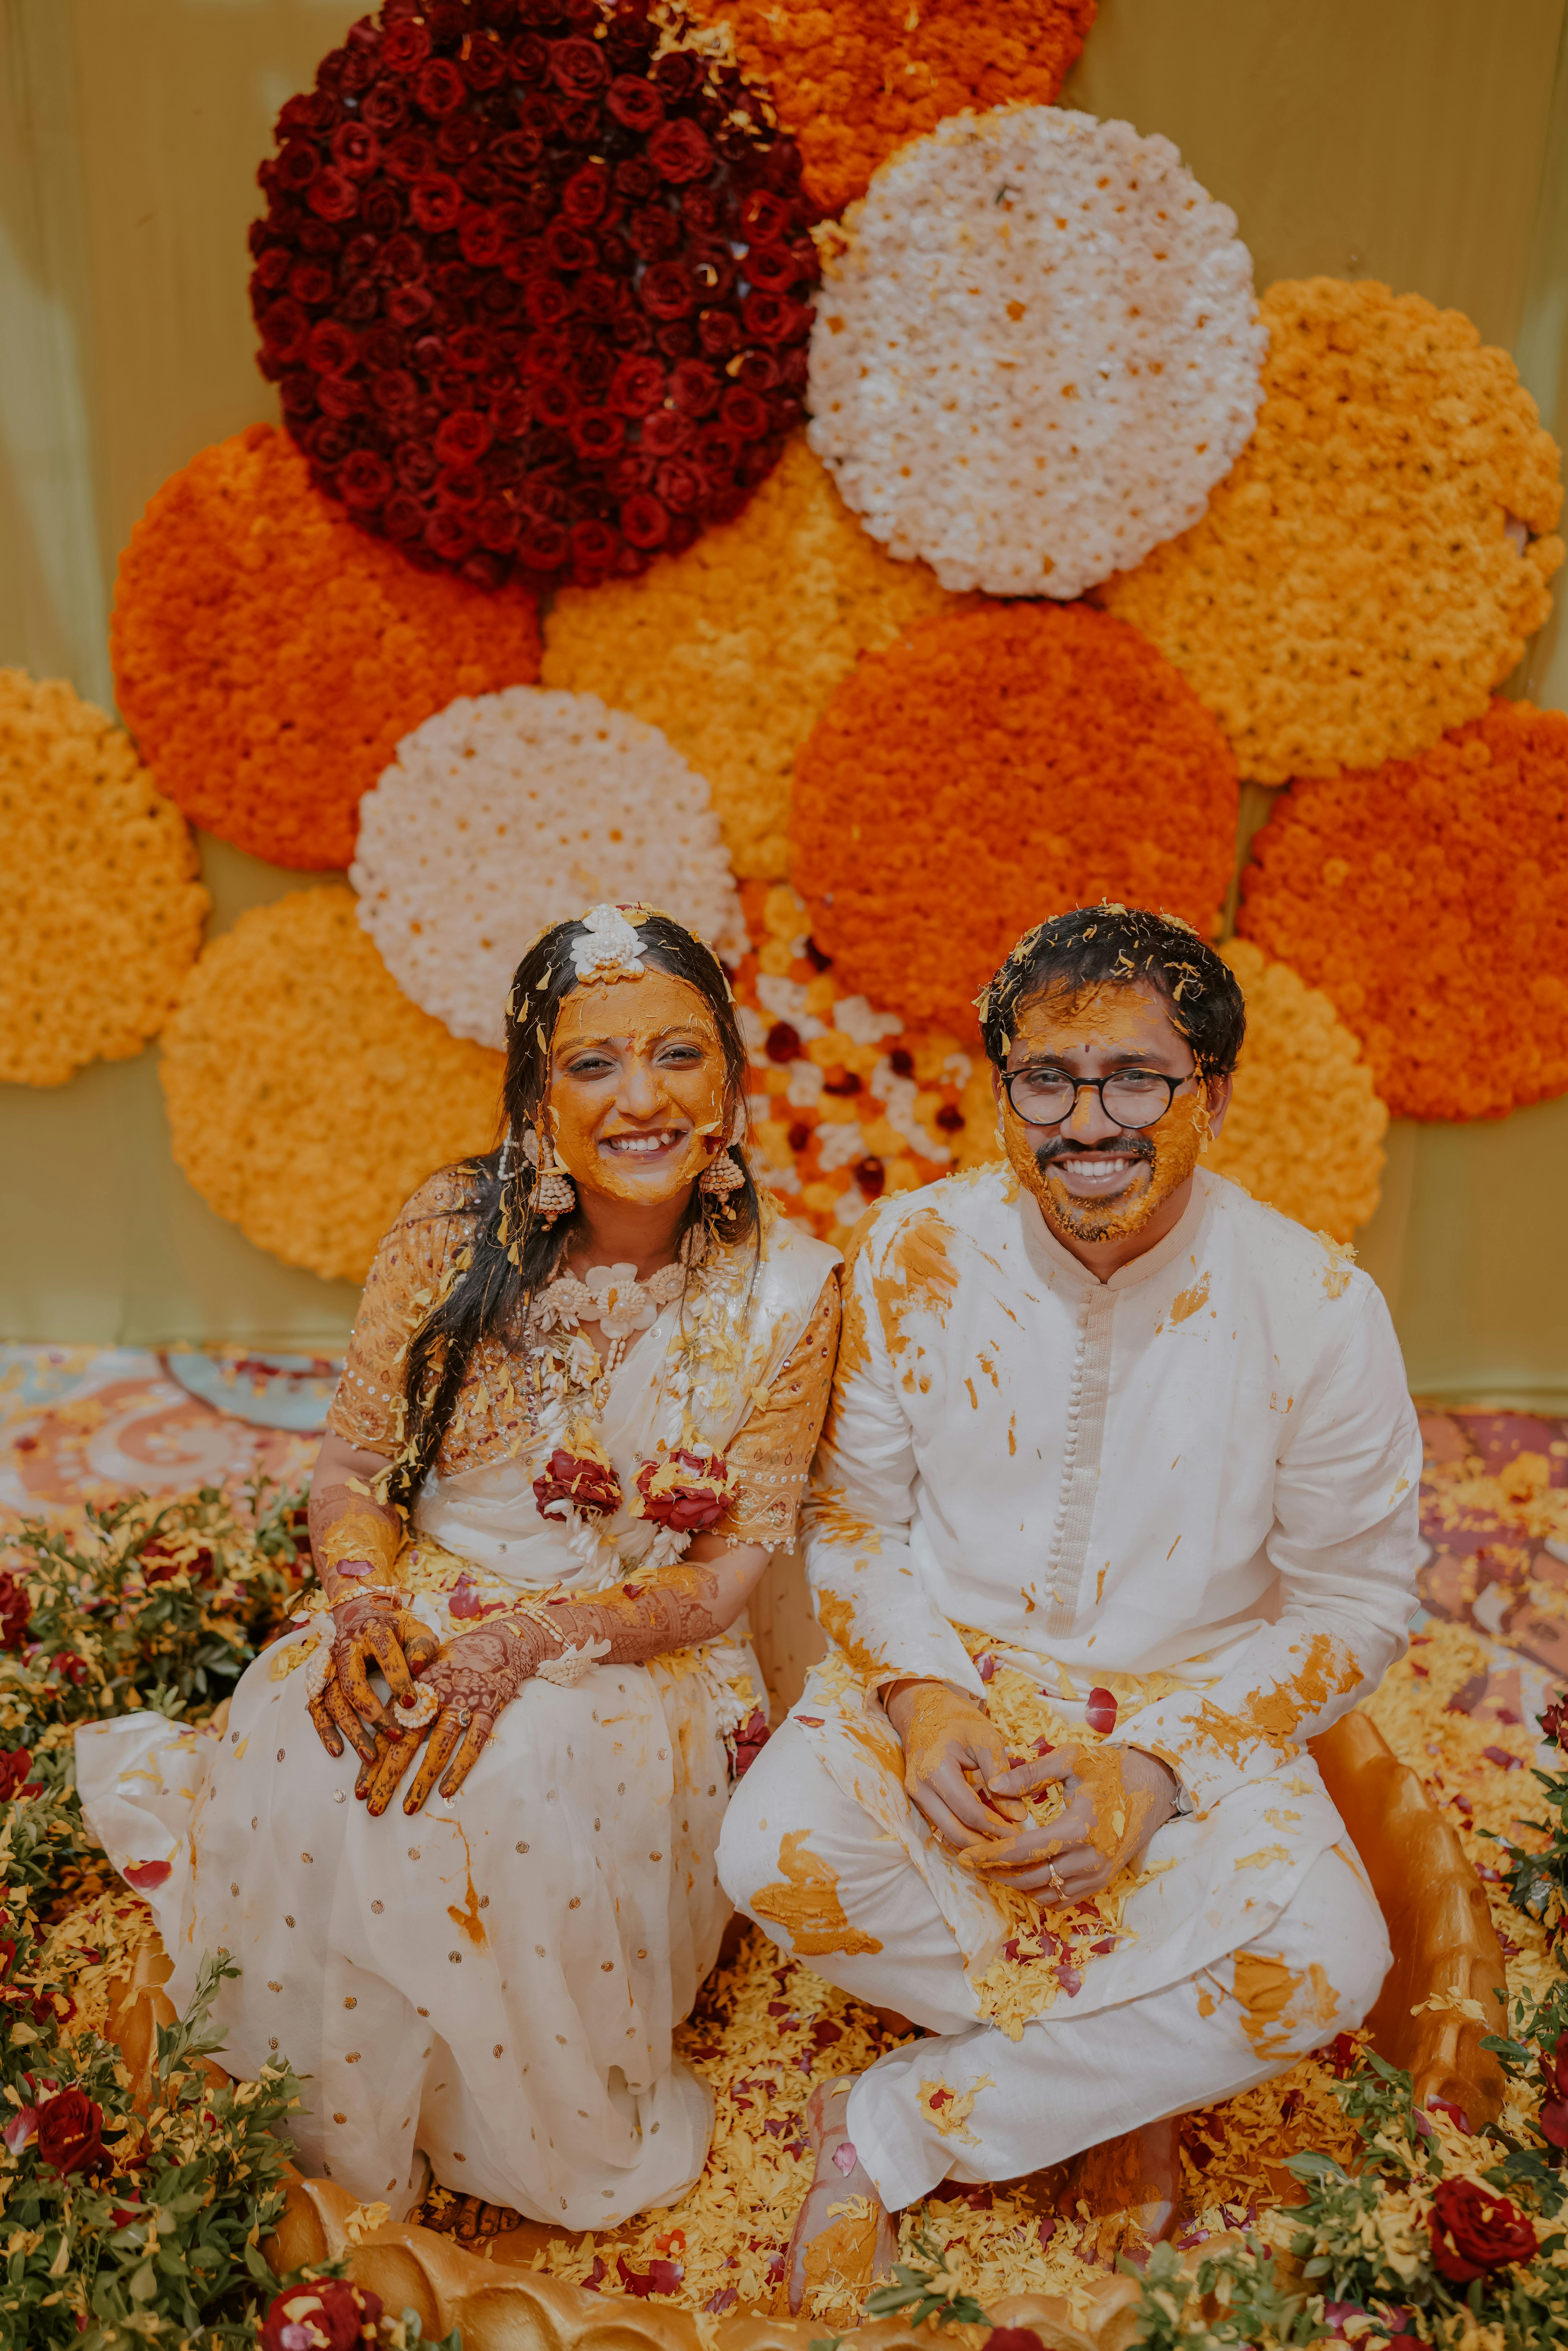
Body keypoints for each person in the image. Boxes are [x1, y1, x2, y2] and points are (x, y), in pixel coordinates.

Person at [78, 904, 840, 2232]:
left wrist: (523, 1648)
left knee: (517, 1781)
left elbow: (726, 1580)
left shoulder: (788, 1290)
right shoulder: (446, 1227)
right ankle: (346, 2137)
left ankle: (512, 2139)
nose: (642, 1098)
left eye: (678, 1053)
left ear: (729, 1072)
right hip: (425, 1587)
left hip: (638, 1644)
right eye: (592, 1062)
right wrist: (369, 1607)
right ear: (535, 1087)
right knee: (328, 1758)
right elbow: (354, 1467)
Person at [717, 903, 1423, 2310]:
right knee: (772, 1854)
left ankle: (893, 2125)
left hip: (1191, 1704)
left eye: (1136, 1079)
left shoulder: (1317, 1304)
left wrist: (1157, 1769)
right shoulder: (913, 1251)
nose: (1086, 1120)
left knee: (1329, 1966)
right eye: (1048, 1079)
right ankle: (1127, 2076)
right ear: (1004, 1092)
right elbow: (854, 1522)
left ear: (1211, 1094)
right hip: (960, 1680)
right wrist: (925, 1705)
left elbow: (1358, 1597)